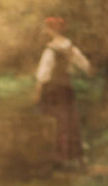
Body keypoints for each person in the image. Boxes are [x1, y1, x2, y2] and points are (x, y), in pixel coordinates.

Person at [34, 16, 92, 166]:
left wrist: (38, 91)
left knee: (53, 119)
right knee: (68, 120)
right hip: (66, 88)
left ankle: (57, 156)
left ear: (51, 30)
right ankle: (70, 155)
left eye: (47, 28)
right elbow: (86, 66)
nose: (46, 31)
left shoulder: (50, 50)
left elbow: (43, 74)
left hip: (52, 90)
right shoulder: (71, 48)